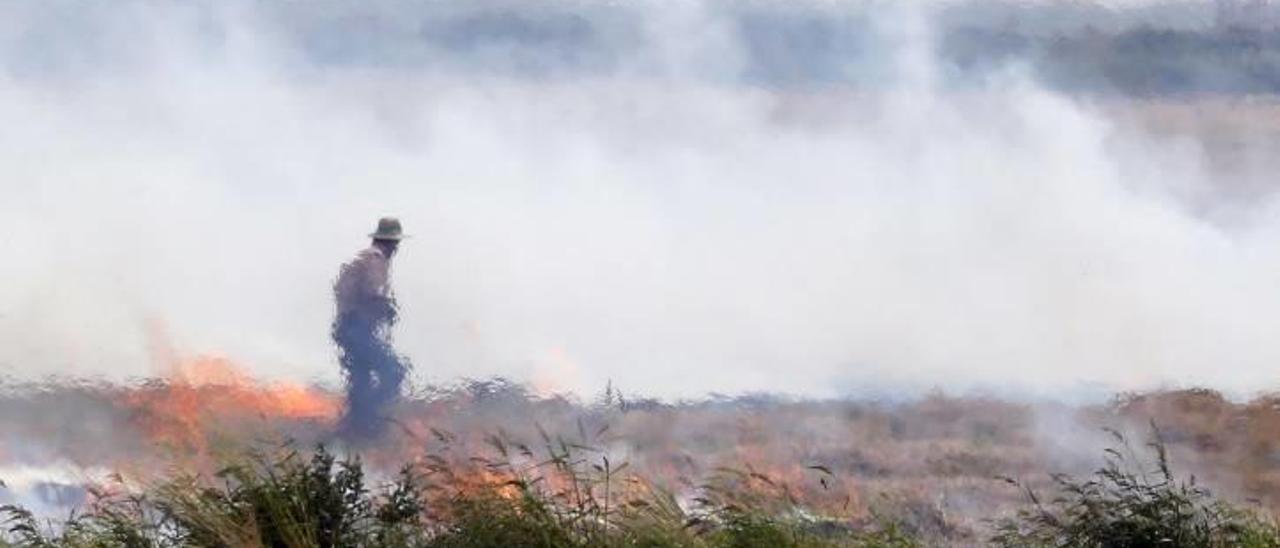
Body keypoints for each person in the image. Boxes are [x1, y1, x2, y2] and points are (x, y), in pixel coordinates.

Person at [332, 216, 410, 438]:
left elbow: (342, 290)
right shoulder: (375, 261)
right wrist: (387, 309)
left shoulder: (362, 259)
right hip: (357, 328)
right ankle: (371, 421)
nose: (396, 247)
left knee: (361, 378)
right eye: (395, 242)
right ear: (389, 242)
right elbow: (372, 294)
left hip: (348, 327)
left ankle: (356, 427)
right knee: (393, 371)